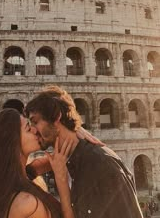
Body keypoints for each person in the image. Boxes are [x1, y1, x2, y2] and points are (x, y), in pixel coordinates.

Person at [25, 85, 143, 218]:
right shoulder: (69, 162)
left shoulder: (101, 164)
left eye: (35, 122)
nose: (33, 130)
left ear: (57, 116)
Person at [0, 108, 75, 218]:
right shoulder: (28, 206)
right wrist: (62, 180)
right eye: (28, 129)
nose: (35, 130)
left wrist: (73, 133)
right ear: (13, 144)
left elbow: (33, 170)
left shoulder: (12, 184)